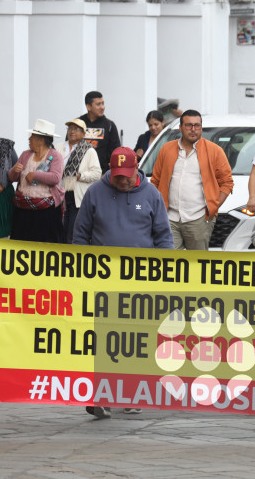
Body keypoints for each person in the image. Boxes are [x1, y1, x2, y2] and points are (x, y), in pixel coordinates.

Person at [74, 147, 173, 418]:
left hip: (141, 281)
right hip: (103, 281)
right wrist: (83, 271)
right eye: (118, 176)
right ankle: (100, 395)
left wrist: (162, 271)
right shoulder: (95, 192)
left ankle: (131, 391)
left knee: (136, 337)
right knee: (104, 337)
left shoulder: (152, 194)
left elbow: (163, 237)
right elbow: (81, 235)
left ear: (136, 168)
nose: (123, 180)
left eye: (127, 175)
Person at [151, 110, 234, 250]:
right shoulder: (166, 149)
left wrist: (213, 207)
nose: (193, 129)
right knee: (168, 262)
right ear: (181, 127)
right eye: (189, 125)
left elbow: (227, 182)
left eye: (197, 125)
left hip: (199, 219)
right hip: (169, 218)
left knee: (197, 264)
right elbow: (155, 180)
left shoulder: (214, 151)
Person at [8, 119, 65, 243]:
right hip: (23, 209)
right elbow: (12, 178)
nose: (29, 139)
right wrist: (15, 171)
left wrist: (35, 175)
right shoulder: (25, 155)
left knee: (44, 245)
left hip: (46, 212)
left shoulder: (55, 156)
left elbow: (56, 177)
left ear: (41, 140)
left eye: (32, 137)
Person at [62, 119, 102, 244]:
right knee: (61, 231)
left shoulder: (89, 150)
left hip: (77, 197)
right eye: (70, 128)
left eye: (76, 129)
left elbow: (97, 173)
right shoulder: (60, 147)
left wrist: (80, 176)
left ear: (84, 134)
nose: (72, 131)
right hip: (61, 193)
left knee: (73, 231)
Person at [79, 91, 121, 173]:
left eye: (103, 103)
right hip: (80, 174)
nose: (102, 107)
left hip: (102, 175)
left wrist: (107, 174)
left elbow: (115, 153)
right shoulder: (78, 124)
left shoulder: (110, 125)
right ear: (88, 107)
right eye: (98, 104)